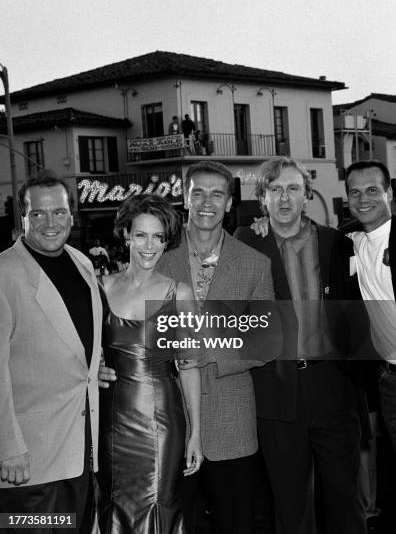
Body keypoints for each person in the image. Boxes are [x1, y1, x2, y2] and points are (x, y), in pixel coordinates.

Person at [235, 156, 366, 534]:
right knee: (292, 508)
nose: (284, 197)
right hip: (277, 394)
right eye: (274, 190)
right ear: (262, 199)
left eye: (293, 188)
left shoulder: (336, 241)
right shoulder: (247, 242)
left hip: (333, 390)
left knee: (345, 501)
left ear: (307, 194)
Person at [158, 161, 278, 534]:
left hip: (232, 420)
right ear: (185, 199)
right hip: (170, 419)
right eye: (198, 193)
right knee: (177, 524)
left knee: (236, 522)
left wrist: (208, 352)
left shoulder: (254, 264)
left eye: (216, 194)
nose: (206, 202)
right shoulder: (158, 261)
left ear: (229, 203)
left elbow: (267, 339)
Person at [0, 170, 102, 534]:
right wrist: (7, 446)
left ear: (72, 215)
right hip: (29, 460)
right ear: (22, 219)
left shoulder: (82, 263)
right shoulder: (4, 272)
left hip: (80, 453)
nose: (49, 223)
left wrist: (97, 367)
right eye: (37, 214)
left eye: (58, 212)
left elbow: (77, 345)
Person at [97, 194, 203, 534]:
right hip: (111, 419)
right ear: (126, 235)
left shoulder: (179, 294)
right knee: (113, 505)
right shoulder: (99, 288)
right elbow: (84, 353)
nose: (149, 245)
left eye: (158, 237)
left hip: (161, 422)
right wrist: (93, 370)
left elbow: (189, 367)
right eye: (141, 235)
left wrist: (196, 433)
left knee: (158, 503)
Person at [345, 161, 396, 453]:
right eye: (355, 192)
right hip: (388, 379)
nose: (363, 199)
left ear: (388, 192)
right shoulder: (350, 241)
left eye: (373, 190)